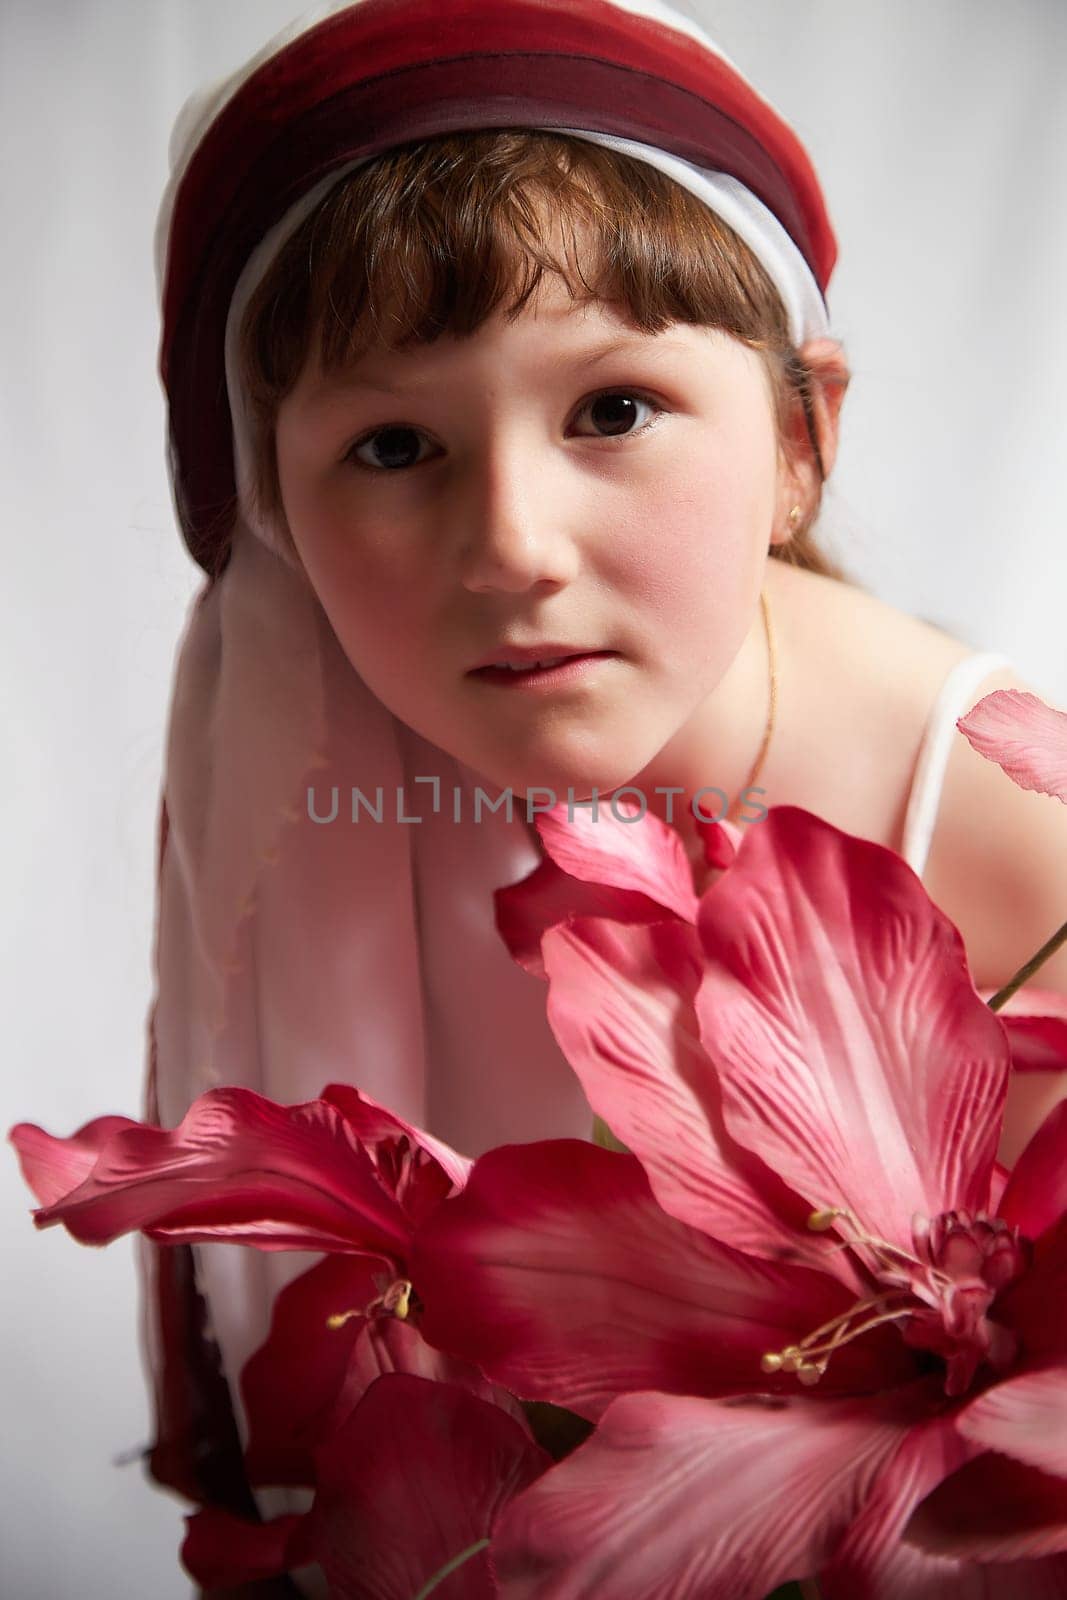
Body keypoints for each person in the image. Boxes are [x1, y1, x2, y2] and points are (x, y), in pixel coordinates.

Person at [144, 0, 1067, 1591]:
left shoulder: (1002, 821)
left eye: (613, 411)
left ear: (800, 436)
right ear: (276, 514)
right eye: (388, 445)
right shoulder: (323, 795)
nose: (511, 547)